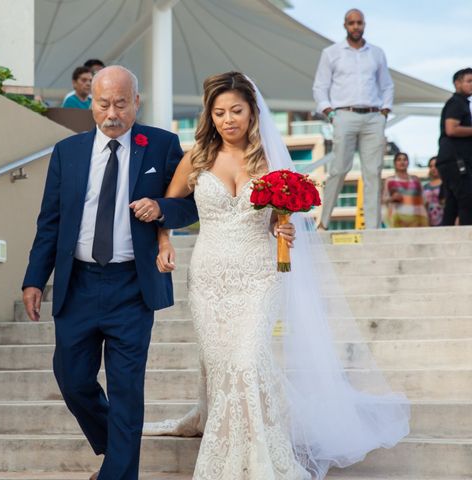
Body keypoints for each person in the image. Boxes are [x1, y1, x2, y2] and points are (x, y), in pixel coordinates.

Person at [139, 72, 409, 479]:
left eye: (236, 111)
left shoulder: (270, 159)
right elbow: (169, 205)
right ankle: (225, 426)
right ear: (209, 116)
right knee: (222, 363)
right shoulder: (196, 156)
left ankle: (257, 454)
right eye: (219, 113)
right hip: (210, 276)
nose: (228, 120)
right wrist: (164, 241)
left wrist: (281, 227)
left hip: (260, 273)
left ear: (252, 111)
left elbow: (276, 219)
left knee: (248, 360)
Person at [22, 65, 198, 480]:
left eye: (121, 103)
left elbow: (190, 203)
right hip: (78, 282)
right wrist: (34, 278)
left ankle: (117, 473)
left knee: (126, 389)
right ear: (91, 104)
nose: (112, 113)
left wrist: (162, 209)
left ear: (137, 102)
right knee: (73, 379)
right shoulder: (69, 152)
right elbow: (50, 221)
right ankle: (117, 446)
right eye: (103, 104)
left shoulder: (162, 145)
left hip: (131, 286)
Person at [313, 8, 394, 230]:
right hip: (344, 115)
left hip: (373, 116)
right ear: (345, 25)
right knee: (339, 169)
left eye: (359, 22)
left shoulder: (376, 53)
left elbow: (386, 85)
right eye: (351, 23)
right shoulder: (331, 53)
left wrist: (385, 111)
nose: (356, 26)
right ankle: (324, 222)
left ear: (364, 24)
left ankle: (373, 228)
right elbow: (320, 86)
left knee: (373, 172)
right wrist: (329, 112)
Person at [436, 68, 472, 225]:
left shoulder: (460, 103)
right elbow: (451, 129)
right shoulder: (456, 103)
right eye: (469, 81)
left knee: (452, 205)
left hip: (452, 161)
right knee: (466, 200)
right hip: (456, 161)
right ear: (457, 83)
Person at [382, 152, 429, 228]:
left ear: (408, 162)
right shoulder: (390, 180)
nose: (402, 162)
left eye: (405, 159)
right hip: (397, 219)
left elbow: (423, 200)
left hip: (416, 218)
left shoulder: (415, 180)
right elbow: (384, 200)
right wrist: (392, 199)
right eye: (399, 160)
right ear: (395, 163)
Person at [423, 156, 445, 226]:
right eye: (431, 166)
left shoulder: (446, 184)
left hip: (445, 221)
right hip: (428, 222)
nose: (433, 168)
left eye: (435, 165)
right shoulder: (425, 187)